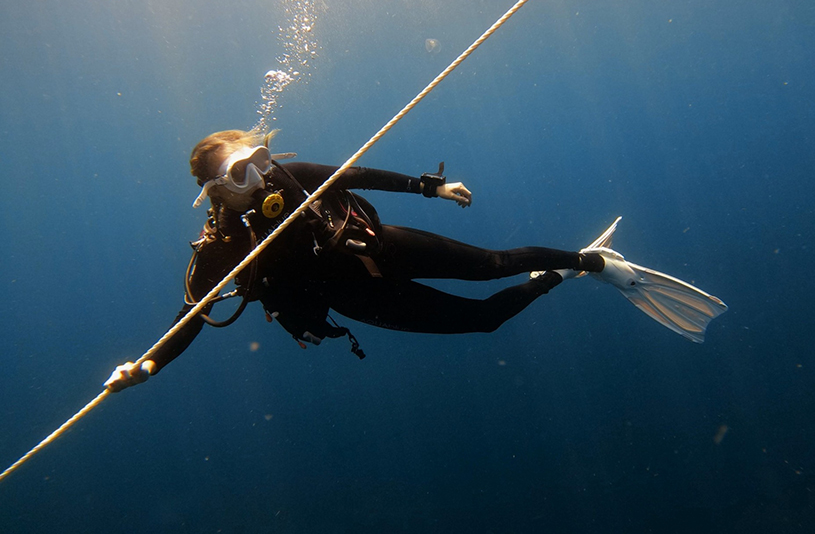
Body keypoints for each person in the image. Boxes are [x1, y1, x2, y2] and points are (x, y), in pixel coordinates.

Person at [105, 129, 727, 391]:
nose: (265, 172)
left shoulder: (291, 175)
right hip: (360, 298)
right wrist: (147, 365)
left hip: (381, 247)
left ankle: (592, 262)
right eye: (246, 171)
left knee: (494, 262)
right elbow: (189, 318)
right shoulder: (221, 248)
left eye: (262, 156)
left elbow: (357, 173)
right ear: (218, 193)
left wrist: (430, 186)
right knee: (485, 320)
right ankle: (559, 275)